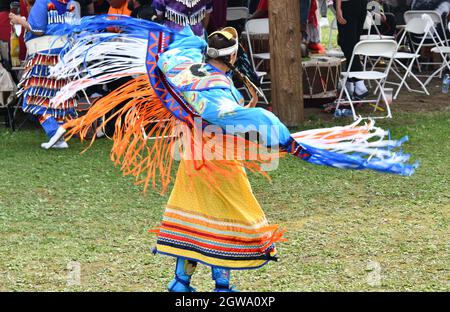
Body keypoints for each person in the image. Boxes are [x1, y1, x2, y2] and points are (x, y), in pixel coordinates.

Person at [49, 16, 416, 292]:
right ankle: (222, 288)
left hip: (193, 162)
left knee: (192, 221)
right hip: (219, 166)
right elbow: (240, 118)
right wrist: (286, 140)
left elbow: (178, 48)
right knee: (228, 222)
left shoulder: (187, 69)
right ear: (234, 55)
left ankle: (180, 283)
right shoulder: (218, 91)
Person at [9, 0, 78, 149]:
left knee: (32, 97)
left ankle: (54, 131)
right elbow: (75, 29)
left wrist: (19, 21)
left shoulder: (43, 2)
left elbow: (38, 29)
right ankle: (59, 138)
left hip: (44, 54)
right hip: (63, 55)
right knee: (57, 95)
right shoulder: (71, 3)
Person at [334, 0, 369, 99]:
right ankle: (354, 82)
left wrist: (338, 8)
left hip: (355, 5)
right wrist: (338, 8)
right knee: (350, 44)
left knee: (352, 44)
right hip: (352, 5)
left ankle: (354, 82)